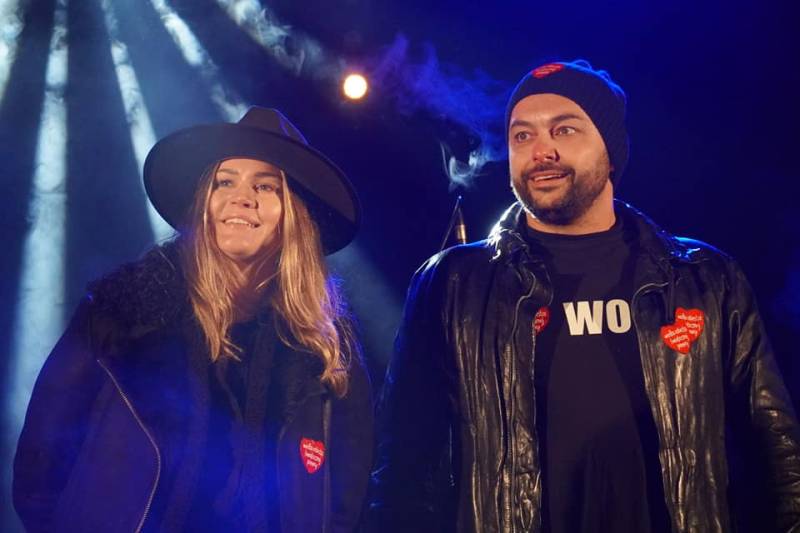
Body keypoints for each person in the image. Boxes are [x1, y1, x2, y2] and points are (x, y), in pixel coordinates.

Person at [367, 60, 800, 532]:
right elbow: (403, 466)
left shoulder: (706, 278)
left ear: (611, 152)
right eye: (522, 135)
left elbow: (779, 451)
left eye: (564, 130)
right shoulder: (452, 283)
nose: (541, 151)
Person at [13, 107, 373, 532]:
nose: (242, 197)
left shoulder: (327, 350)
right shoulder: (121, 315)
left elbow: (346, 501)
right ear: (204, 202)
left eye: (265, 185)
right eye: (225, 182)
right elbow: (41, 465)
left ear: (294, 216)